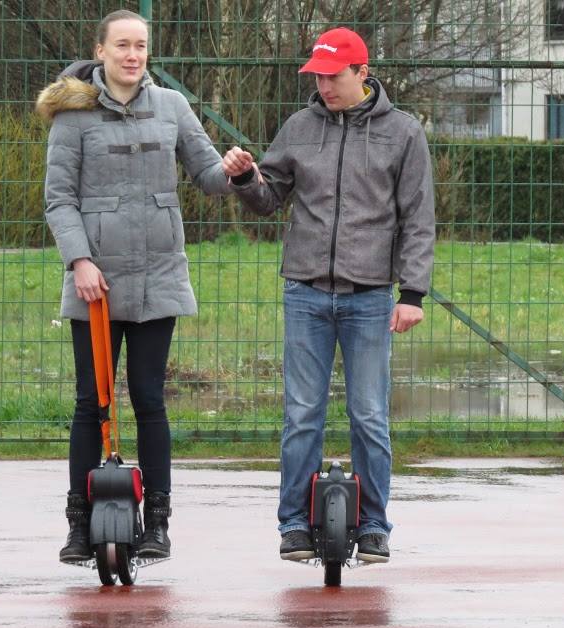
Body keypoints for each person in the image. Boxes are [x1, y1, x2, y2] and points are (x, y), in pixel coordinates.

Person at [222, 27, 435, 563]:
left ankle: (375, 526)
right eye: (317, 77)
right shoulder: (299, 126)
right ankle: (293, 524)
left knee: (369, 415)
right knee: (301, 415)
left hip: (370, 297)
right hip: (306, 291)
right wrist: (246, 179)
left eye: (334, 76)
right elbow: (269, 198)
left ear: (363, 73)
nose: (324, 86)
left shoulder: (403, 133)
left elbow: (418, 218)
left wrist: (412, 293)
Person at [36, 9, 232, 564]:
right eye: (122, 45)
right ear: (100, 51)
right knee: (90, 402)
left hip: (158, 277)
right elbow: (59, 199)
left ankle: (157, 525)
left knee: (149, 399)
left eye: (140, 46)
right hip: (94, 284)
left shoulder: (172, 106)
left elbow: (208, 176)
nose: (132, 55)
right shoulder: (73, 118)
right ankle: (79, 524)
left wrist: (235, 169)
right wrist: (79, 261)